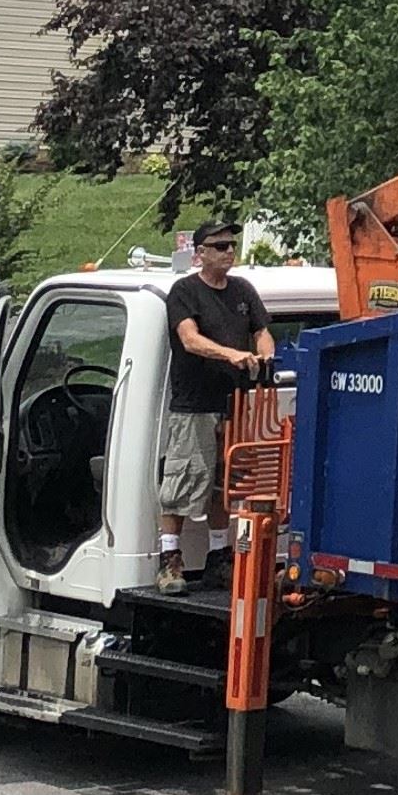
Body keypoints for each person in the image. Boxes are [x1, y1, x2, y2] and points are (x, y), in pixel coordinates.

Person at [156, 220, 274, 593]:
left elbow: (261, 330)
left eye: (231, 245)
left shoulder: (243, 290)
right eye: (219, 246)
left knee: (226, 484)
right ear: (200, 253)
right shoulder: (184, 291)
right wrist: (232, 355)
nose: (228, 251)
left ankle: (219, 559)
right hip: (195, 406)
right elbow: (190, 340)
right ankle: (169, 564)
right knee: (183, 481)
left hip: (235, 403)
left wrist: (264, 354)